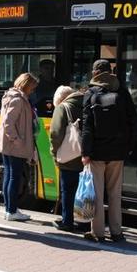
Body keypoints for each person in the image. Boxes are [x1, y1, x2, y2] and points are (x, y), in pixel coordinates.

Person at [81, 59, 137, 243]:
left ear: (95, 73)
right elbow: (133, 122)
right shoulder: (121, 92)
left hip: (97, 153)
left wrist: (85, 152)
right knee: (115, 194)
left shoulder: (90, 93)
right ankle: (116, 232)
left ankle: (97, 233)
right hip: (117, 153)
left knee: (96, 193)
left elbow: (87, 127)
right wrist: (128, 147)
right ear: (110, 71)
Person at [0, 72, 39, 222]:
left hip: (8, 145)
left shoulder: (11, 95)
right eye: (32, 88)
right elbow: (8, 123)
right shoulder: (18, 100)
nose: (32, 91)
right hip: (14, 145)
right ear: (26, 85)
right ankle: (12, 210)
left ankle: (9, 209)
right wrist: (17, 140)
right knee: (14, 177)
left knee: (9, 176)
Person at [49, 85, 84, 232]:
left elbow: (56, 134)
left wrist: (54, 153)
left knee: (67, 190)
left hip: (69, 158)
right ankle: (84, 221)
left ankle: (67, 221)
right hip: (85, 156)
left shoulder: (62, 108)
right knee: (82, 190)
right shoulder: (86, 103)